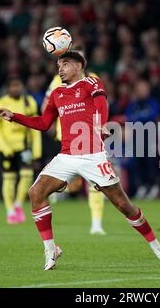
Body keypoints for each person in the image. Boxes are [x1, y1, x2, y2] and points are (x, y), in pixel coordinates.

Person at [0, 51, 160, 270]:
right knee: (36, 193)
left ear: (79, 66)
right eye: (59, 65)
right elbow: (43, 123)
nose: (60, 68)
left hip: (92, 155)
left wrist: (102, 124)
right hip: (67, 155)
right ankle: (51, 250)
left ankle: (157, 247)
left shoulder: (91, 82)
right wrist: (14, 117)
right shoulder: (57, 94)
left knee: (123, 205)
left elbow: (101, 104)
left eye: (66, 64)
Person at [43, 64, 107, 235]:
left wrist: (101, 124)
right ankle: (57, 190)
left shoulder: (93, 79)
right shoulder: (58, 80)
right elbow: (46, 105)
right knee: (70, 182)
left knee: (96, 183)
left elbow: (101, 103)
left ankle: (96, 223)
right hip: (65, 138)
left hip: (90, 137)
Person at [0, 76, 42, 224]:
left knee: (27, 176)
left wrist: (37, 150)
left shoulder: (29, 102)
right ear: (8, 88)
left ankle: (18, 205)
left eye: (18, 86)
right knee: (9, 178)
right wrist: (3, 145)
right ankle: (10, 211)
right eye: (12, 86)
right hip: (7, 147)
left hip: (24, 146)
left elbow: (35, 127)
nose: (15, 89)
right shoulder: (1, 103)